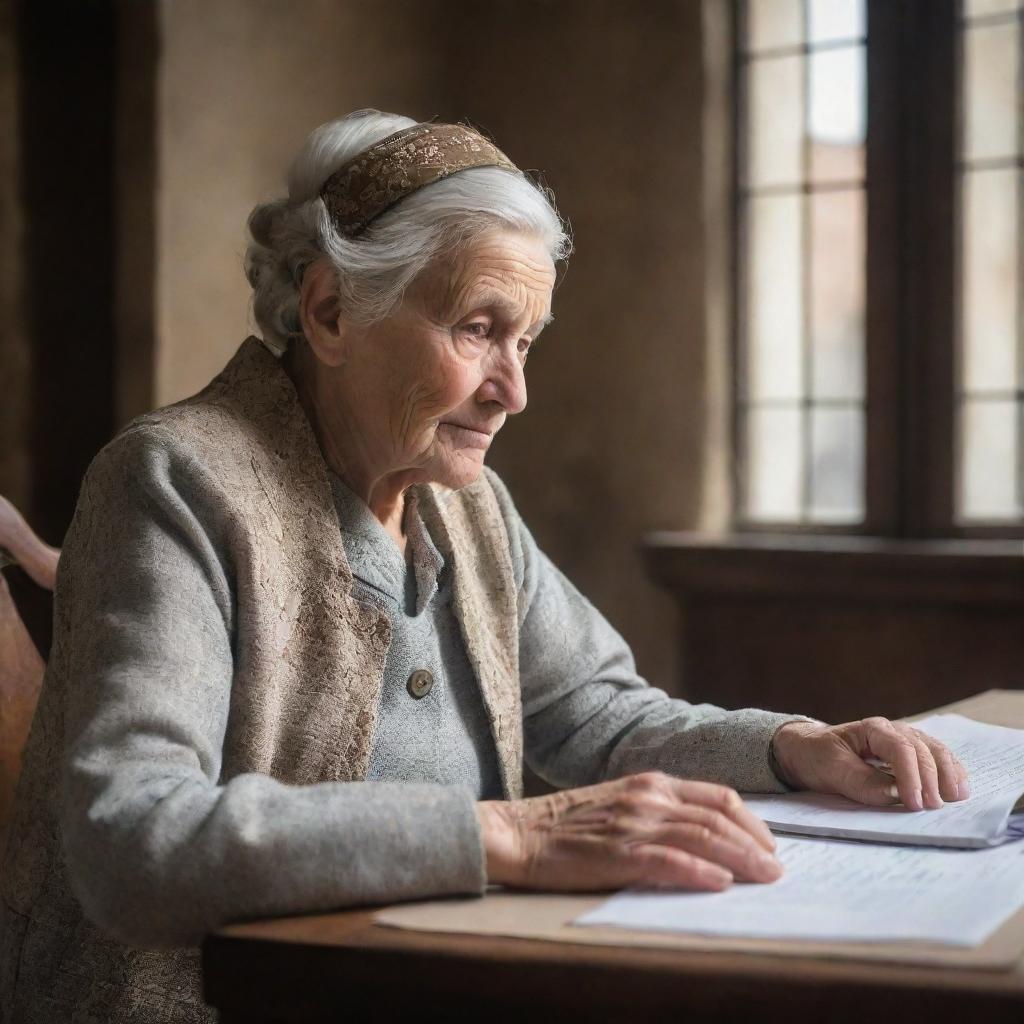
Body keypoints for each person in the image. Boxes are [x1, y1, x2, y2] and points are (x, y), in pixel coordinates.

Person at [0, 110, 968, 1023]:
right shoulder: (177, 478)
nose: (513, 390)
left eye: (526, 340)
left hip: (428, 980)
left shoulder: (464, 500)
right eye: (477, 329)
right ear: (331, 310)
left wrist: (787, 748)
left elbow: (593, 711)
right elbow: (133, 839)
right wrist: (509, 835)